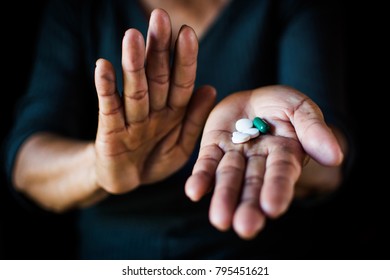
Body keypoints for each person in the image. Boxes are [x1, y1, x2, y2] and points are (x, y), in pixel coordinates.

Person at [2, 0, 351, 259]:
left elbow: (330, 164)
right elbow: (26, 165)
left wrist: (291, 139)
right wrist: (98, 167)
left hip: (254, 258)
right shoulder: (78, 10)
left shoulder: (292, 7)